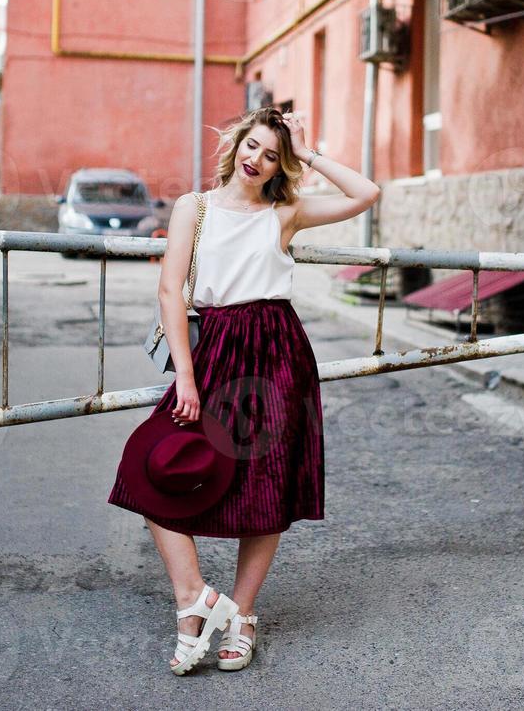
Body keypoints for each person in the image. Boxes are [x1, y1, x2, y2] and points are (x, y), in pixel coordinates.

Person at [107, 106, 381, 675]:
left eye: (272, 155)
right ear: (236, 146)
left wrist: (307, 154)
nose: (257, 160)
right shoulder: (194, 208)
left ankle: (243, 616)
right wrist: (185, 372)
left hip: (277, 351)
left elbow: (366, 192)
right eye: (253, 146)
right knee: (146, 466)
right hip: (212, 349)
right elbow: (168, 293)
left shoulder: (285, 213)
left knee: (266, 487)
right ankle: (194, 598)